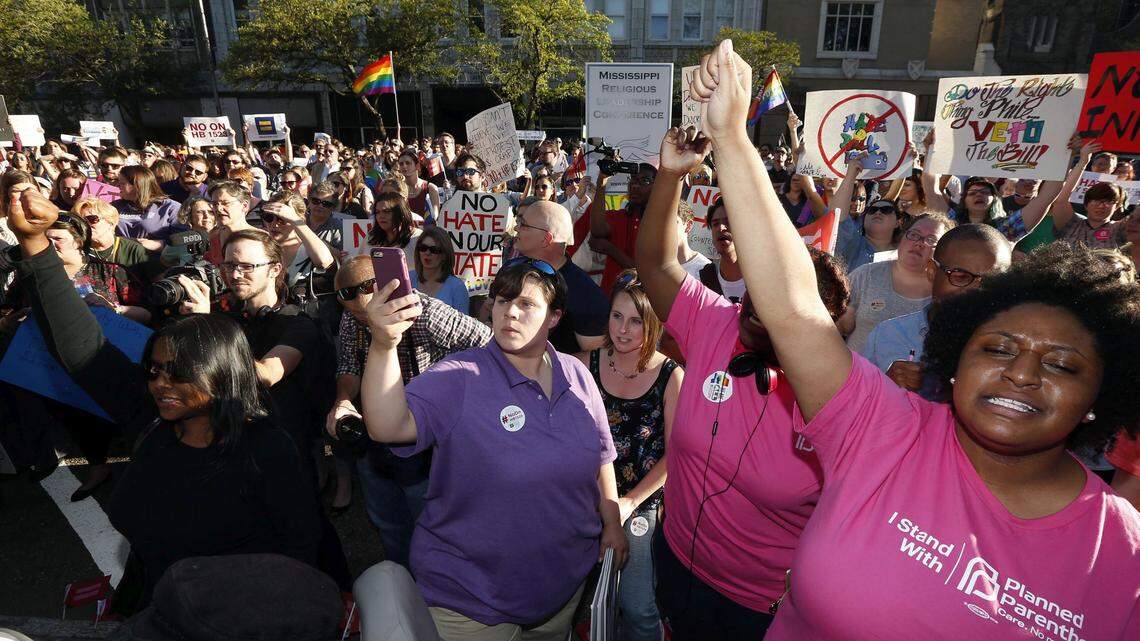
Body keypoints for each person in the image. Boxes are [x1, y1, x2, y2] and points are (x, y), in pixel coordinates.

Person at [689, 40, 1140, 640]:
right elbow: (794, 310)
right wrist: (730, 139)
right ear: (954, 353)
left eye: (1060, 364)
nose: (1022, 374)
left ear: (1100, 394)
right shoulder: (883, 428)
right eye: (997, 348)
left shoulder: (1121, 556)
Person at [8, 189, 322, 611]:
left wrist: (206, 324)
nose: (160, 384)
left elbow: (298, 549)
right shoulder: (154, 425)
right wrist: (35, 246)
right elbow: (82, 349)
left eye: (179, 372)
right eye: (155, 371)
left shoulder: (266, 447)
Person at [635, 125, 851, 640]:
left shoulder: (841, 399)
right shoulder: (716, 322)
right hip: (676, 562)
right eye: (761, 282)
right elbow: (656, 264)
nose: (760, 299)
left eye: (783, 296)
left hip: (761, 608)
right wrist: (671, 174)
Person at [360, 258, 628, 640]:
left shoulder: (577, 374)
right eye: (502, 301)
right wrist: (384, 344)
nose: (510, 313)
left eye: (526, 304)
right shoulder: (459, 377)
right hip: (471, 601)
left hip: (561, 590)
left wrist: (613, 524)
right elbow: (387, 425)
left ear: (554, 317)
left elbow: (601, 456)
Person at [327, 255, 491, 566]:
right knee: (387, 519)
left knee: (429, 519)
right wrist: (344, 400)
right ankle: (404, 575)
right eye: (359, 318)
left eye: (365, 315)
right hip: (375, 435)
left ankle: (438, 579)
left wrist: (455, 388)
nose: (364, 321)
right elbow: (348, 364)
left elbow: (488, 343)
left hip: (423, 440)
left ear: (380, 290)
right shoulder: (353, 316)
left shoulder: (424, 312)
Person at [577, 271, 682, 641]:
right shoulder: (584, 364)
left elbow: (675, 455)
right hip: (582, 498)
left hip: (640, 505)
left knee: (638, 607)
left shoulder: (671, 376)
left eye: (636, 321)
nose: (623, 329)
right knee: (575, 599)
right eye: (617, 316)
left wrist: (630, 502)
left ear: (653, 325)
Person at [863, 223, 1012, 399]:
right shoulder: (888, 335)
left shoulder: (1016, 349)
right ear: (932, 272)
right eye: (960, 276)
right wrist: (885, 387)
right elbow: (855, 410)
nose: (975, 291)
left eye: (991, 283)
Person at [839, 213, 954, 353]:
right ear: (902, 238)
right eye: (914, 234)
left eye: (931, 240)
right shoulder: (865, 275)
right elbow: (840, 327)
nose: (919, 243)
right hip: (856, 371)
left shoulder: (945, 293)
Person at [512, 200, 609, 353]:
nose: (516, 228)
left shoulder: (585, 295)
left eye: (523, 225)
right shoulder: (513, 269)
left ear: (546, 239)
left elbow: (596, 360)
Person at [588, 163, 657, 292]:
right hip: (610, 298)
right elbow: (597, 231)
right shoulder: (619, 215)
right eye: (633, 179)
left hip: (642, 301)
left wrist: (610, 249)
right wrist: (601, 183)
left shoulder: (659, 223)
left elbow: (645, 272)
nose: (635, 185)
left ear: (657, 186)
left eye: (644, 181)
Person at [1050, 142, 1129, 250]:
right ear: (1086, 204)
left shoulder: (1119, 229)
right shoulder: (1071, 225)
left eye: (1108, 201)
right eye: (1096, 200)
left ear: (1118, 206)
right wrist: (1083, 161)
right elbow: (1061, 200)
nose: (1101, 206)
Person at [113, 166, 184, 251]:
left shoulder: (170, 208)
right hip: (120, 259)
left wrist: (159, 244)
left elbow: (183, 239)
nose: (118, 186)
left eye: (122, 183)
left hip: (155, 259)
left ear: (137, 185)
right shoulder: (114, 207)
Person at [409, 226, 468, 314]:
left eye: (434, 250)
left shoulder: (457, 287)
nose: (427, 253)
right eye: (423, 248)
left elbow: (462, 325)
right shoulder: (407, 278)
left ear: (445, 255)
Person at [696, 200, 745, 302]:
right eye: (715, 224)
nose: (721, 228)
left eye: (728, 222)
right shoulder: (704, 278)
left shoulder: (763, 276)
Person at [368, 191, 421, 271]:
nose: (381, 216)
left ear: (400, 213)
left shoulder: (418, 239)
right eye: (377, 212)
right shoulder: (371, 239)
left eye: (386, 211)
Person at [397, 150, 441, 222]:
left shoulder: (430, 188)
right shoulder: (397, 188)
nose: (404, 166)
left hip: (426, 231)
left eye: (408, 163)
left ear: (417, 166)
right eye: (401, 164)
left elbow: (435, 217)